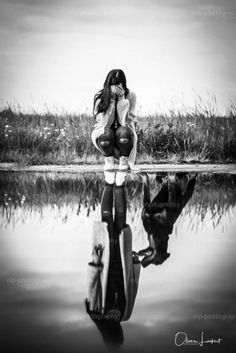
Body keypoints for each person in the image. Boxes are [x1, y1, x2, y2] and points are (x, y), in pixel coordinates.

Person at [85, 171, 141, 348]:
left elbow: (92, 284)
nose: (121, 332)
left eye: (119, 336)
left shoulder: (97, 311)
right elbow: (133, 286)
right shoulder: (126, 315)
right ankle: (120, 183)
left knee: (107, 220)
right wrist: (135, 263)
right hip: (122, 259)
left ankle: (110, 182)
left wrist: (95, 259)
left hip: (106, 257)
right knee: (121, 220)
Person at [91, 69, 138, 171]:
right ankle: (109, 159)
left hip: (123, 130)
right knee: (105, 136)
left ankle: (124, 160)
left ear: (123, 83)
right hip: (106, 130)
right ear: (108, 84)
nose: (115, 87)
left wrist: (122, 100)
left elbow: (125, 122)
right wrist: (111, 100)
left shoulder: (131, 96)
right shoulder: (100, 96)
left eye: (118, 84)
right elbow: (104, 123)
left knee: (124, 133)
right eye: (112, 84)